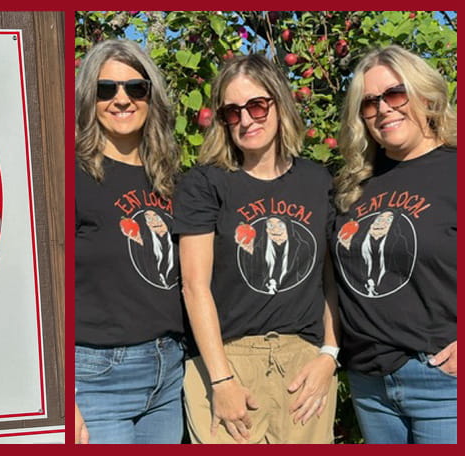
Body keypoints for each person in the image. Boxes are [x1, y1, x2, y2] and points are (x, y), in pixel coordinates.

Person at [173, 54, 339, 444]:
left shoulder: (317, 181)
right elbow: (194, 287)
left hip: (303, 363)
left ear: (279, 103)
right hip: (227, 359)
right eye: (233, 111)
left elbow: (331, 278)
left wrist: (329, 356)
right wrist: (222, 379)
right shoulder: (206, 183)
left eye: (257, 105)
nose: (246, 119)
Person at [332, 45, 457, 444]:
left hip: (442, 381)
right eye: (369, 103)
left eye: (395, 94)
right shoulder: (354, 186)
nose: (384, 109)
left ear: (424, 94)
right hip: (370, 386)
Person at [74, 39, 184, 444]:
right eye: (107, 90)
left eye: (134, 88)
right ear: (90, 98)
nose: (121, 100)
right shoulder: (71, 176)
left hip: (168, 374)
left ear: (151, 96)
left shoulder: (169, 178)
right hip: (97, 376)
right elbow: (41, 292)